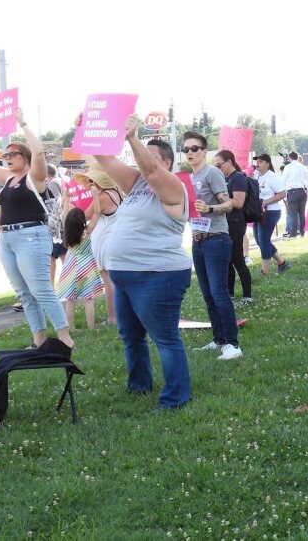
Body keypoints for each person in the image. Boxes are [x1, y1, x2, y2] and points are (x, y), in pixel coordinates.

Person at [83, 114, 192, 410]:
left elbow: (152, 170)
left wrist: (133, 138)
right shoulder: (136, 185)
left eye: (152, 157)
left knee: (165, 338)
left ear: (167, 163)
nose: (141, 163)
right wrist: (88, 130)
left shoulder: (172, 187)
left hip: (158, 275)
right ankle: (139, 384)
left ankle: (176, 397)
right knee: (130, 335)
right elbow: (105, 160)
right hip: (125, 276)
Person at [0, 108, 74, 349]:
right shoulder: (9, 178)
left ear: (25, 157)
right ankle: (39, 341)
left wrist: (24, 124)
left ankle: (64, 338)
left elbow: (39, 151)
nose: (7, 157)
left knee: (41, 289)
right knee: (23, 293)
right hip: (8, 240)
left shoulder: (35, 177)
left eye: (13, 154)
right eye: (6, 154)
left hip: (31, 236)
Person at [183, 131, 242, 361]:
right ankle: (218, 339)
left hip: (216, 238)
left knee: (219, 294)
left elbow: (229, 204)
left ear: (204, 151)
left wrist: (210, 209)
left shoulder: (213, 173)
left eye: (194, 148)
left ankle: (232, 344)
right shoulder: (188, 177)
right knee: (208, 295)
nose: (190, 152)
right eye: (187, 149)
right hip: (198, 240)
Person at [77, 162, 122, 325]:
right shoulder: (116, 191)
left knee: (108, 281)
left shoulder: (103, 197)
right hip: (113, 239)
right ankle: (118, 316)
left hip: (105, 242)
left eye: (91, 180)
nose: (90, 184)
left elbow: (84, 215)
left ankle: (113, 317)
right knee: (114, 280)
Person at [213, 149, 253, 306]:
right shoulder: (225, 178)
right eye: (215, 165)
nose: (217, 168)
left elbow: (238, 202)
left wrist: (218, 198)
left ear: (229, 162)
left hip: (235, 222)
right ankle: (229, 293)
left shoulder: (238, 178)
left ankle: (247, 296)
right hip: (225, 221)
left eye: (219, 164)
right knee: (227, 260)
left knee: (237, 259)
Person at [56, 207, 104, 330]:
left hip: (71, 265)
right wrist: (94, 194)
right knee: (89, 299)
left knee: (70, 299)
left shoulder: (67, 232)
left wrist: (66, 198)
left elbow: (65, 214)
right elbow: (97, 212)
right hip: (86, 266)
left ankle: (71, 328)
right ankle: (91, 328)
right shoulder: (87, 232)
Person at [253, 154, 290, 276]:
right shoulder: (256, 175)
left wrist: (266, 202)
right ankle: (282, 262)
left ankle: (265, 270)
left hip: (271, 212)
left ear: (267, 163)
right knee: (259, 240)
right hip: (258, 212)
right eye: (257, 161)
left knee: (263, 240)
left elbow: (282, 194)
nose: (257, 163)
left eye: (261, 161)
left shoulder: (272, 177)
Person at [45, 164, 67, 286]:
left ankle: (70, 285)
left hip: (58, 227)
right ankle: (51, 286)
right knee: (53, 256)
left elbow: (54, 204)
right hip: (60, 225)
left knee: (62, 256)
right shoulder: (61, 181)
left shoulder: (52, 184)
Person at [282, 151, 308, 238]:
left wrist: (283, 193)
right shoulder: (303, 167)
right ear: (297, 157)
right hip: (302, 191)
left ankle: (293, 233)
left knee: (293, 214)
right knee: (302, 214)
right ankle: (302, 232)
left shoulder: (287, 167)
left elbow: (283, 180)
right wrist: (307, 192)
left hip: (292, 191)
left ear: (290, 158)